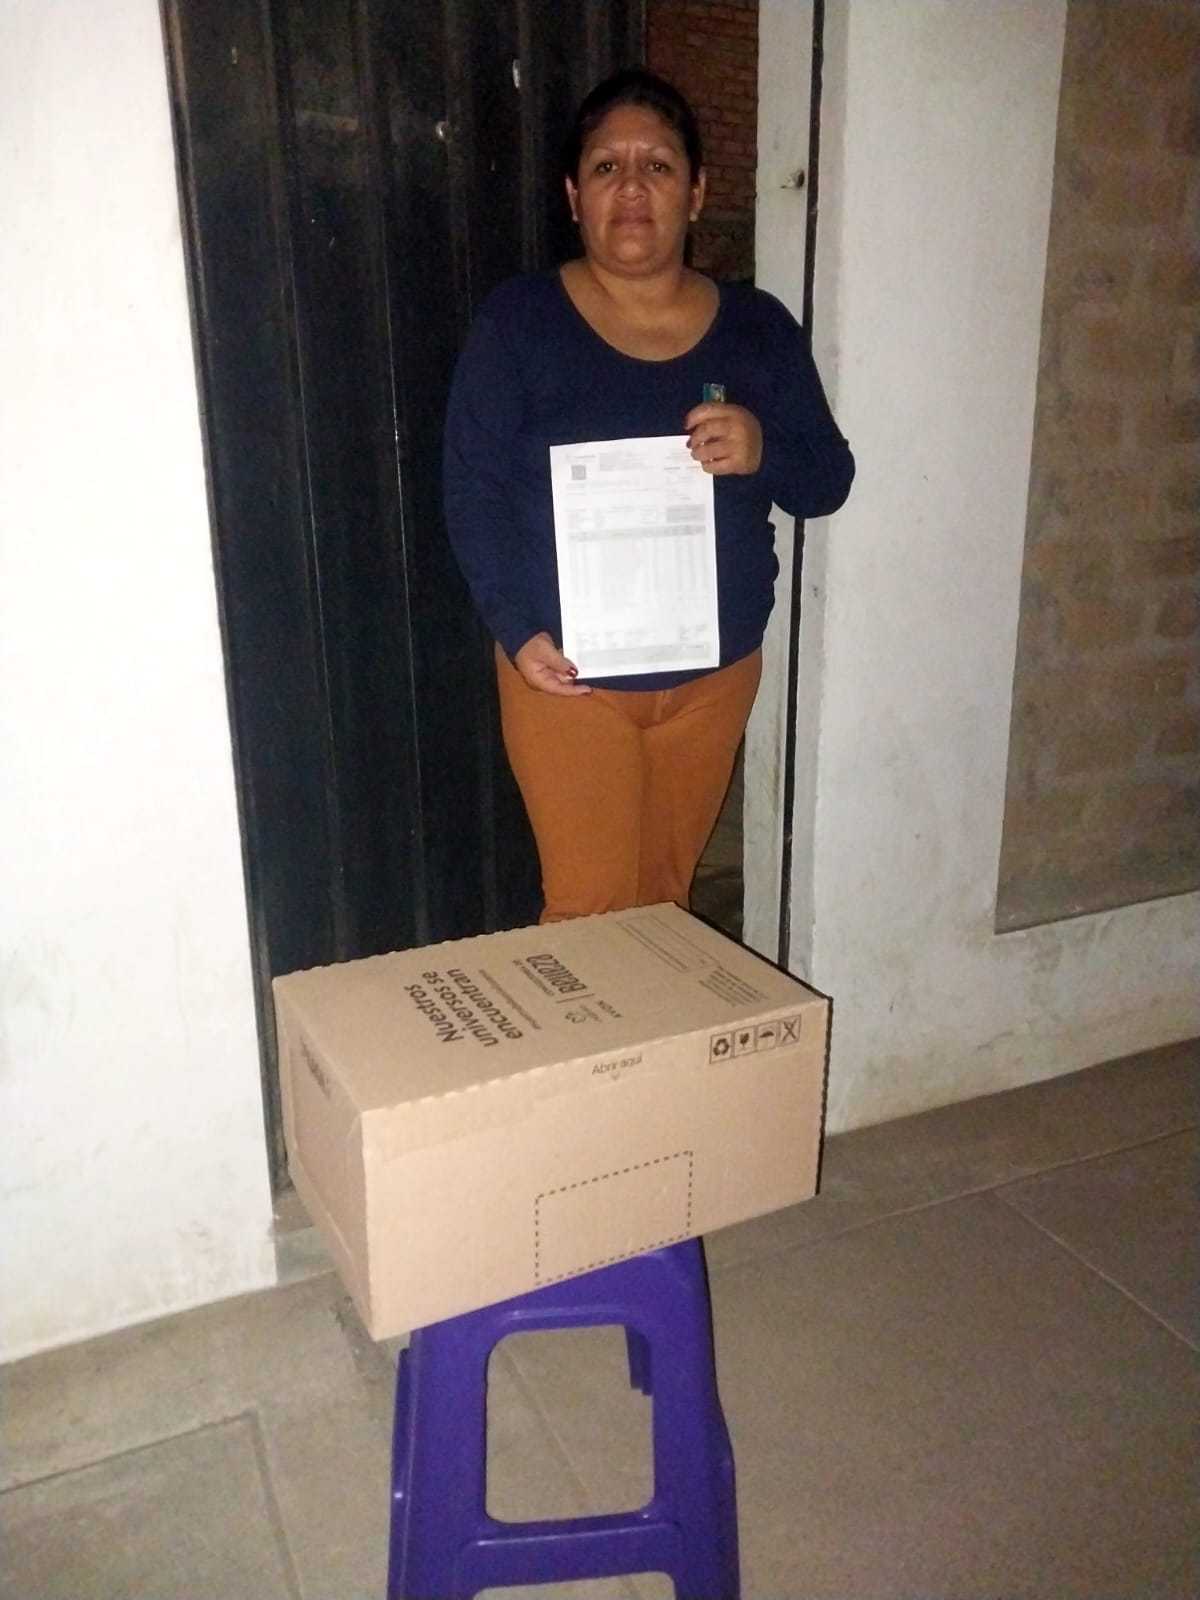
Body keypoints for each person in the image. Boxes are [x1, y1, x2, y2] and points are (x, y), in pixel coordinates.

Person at [444, 68, 853, 924]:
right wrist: (515, 630)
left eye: (658, 166)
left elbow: (826, 480)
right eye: (606, 167)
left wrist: (761, 450)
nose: (632, 186)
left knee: (664, 909)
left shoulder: (758, 327)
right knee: (589, 910)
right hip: (567, 676)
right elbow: (473, 490)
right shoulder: (519, 323)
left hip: (713, 677)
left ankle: (655, 1022)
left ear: (697, 193)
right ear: (574, 195)